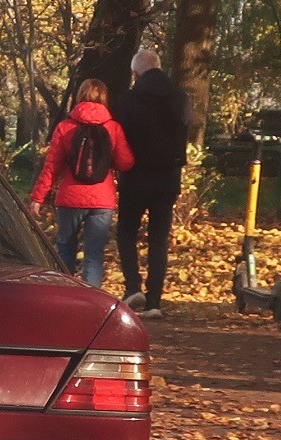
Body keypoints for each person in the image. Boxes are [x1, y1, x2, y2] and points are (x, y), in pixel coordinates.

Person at [29, 79, 134, 288]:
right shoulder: (113, 128)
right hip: (102, 200)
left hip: (70, 198)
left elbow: (51, 166)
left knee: (65, 247)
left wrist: (37, 198)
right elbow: (126, 162)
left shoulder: (65, 127)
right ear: (104, 98)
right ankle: (90, 299)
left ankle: (65, 294)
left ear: (79, 96)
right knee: (94, 254)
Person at [112, 48, 191, 319]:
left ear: (136, 73)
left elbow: (120, 138)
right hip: (167, 179)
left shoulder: (127, 100)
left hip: (134, 178)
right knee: (159, 239)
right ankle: (154, 301)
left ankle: (133, 286)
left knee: (126, 232)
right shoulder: (180, 98)